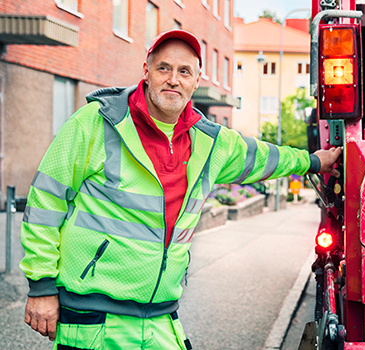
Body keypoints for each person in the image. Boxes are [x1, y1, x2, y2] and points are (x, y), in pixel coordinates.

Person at [20, 29, 341, 349]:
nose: (173, 79)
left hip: (161, 318)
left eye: (184, 71)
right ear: (146, 72)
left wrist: (314, 161)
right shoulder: (97, 122)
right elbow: (45, 202)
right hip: (94, 321)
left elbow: (262, 157)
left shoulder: (210, 141)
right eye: (164, 68)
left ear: (196, 80)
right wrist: (41, 286)